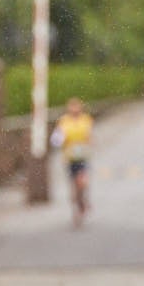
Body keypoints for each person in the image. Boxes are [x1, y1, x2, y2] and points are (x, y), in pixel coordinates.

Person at [52, 97, 94, 227]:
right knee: (73, 188)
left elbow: (89, 135)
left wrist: (89, 142)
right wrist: (61, 140)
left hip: (83, 156)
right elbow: (56, 139)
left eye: (77, 107)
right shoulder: (63, 122)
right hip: (70, 158)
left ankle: (83, 201)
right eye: (72, 107)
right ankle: (78, 209)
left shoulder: (86, 119)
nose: (75, 110)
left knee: (82, 182)